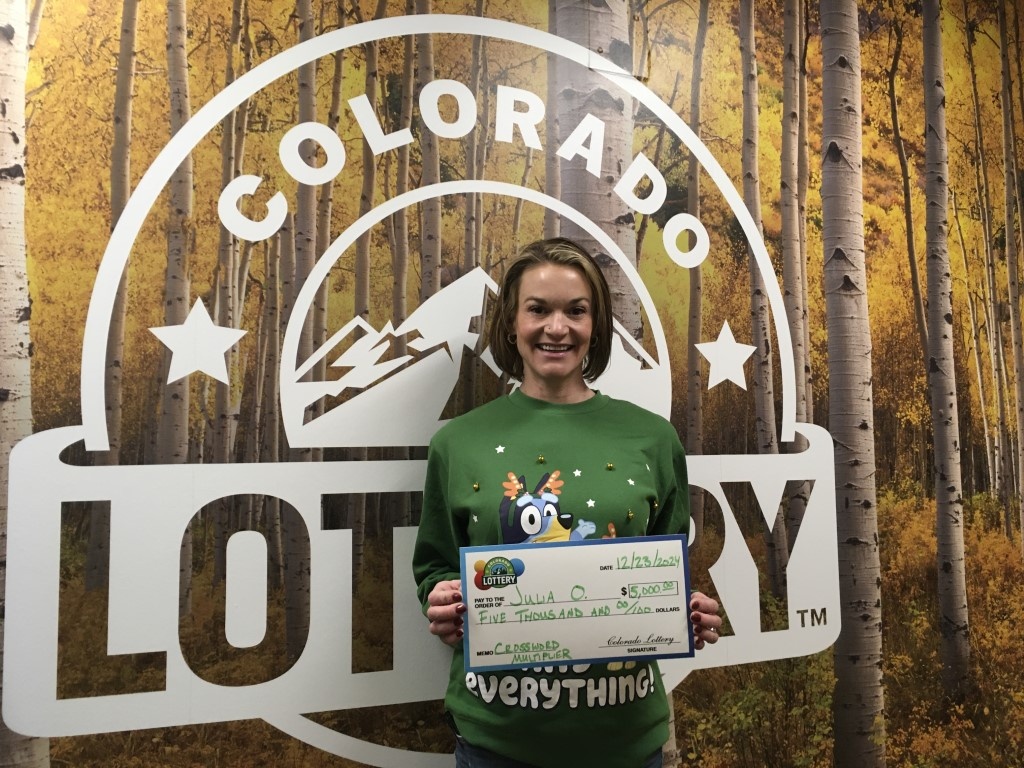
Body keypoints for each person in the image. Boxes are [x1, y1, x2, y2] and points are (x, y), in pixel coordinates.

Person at [412, 237, 722, 768]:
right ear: (511, 323)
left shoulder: (652, 439)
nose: (557, 328)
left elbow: (663, 571)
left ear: (595, 326)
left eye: (576, 311)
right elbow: (435, 566)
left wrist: (685, 611)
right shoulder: (457, 444)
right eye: (538, 309)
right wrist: (439, 600)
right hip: (496, 745)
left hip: (627, 743)